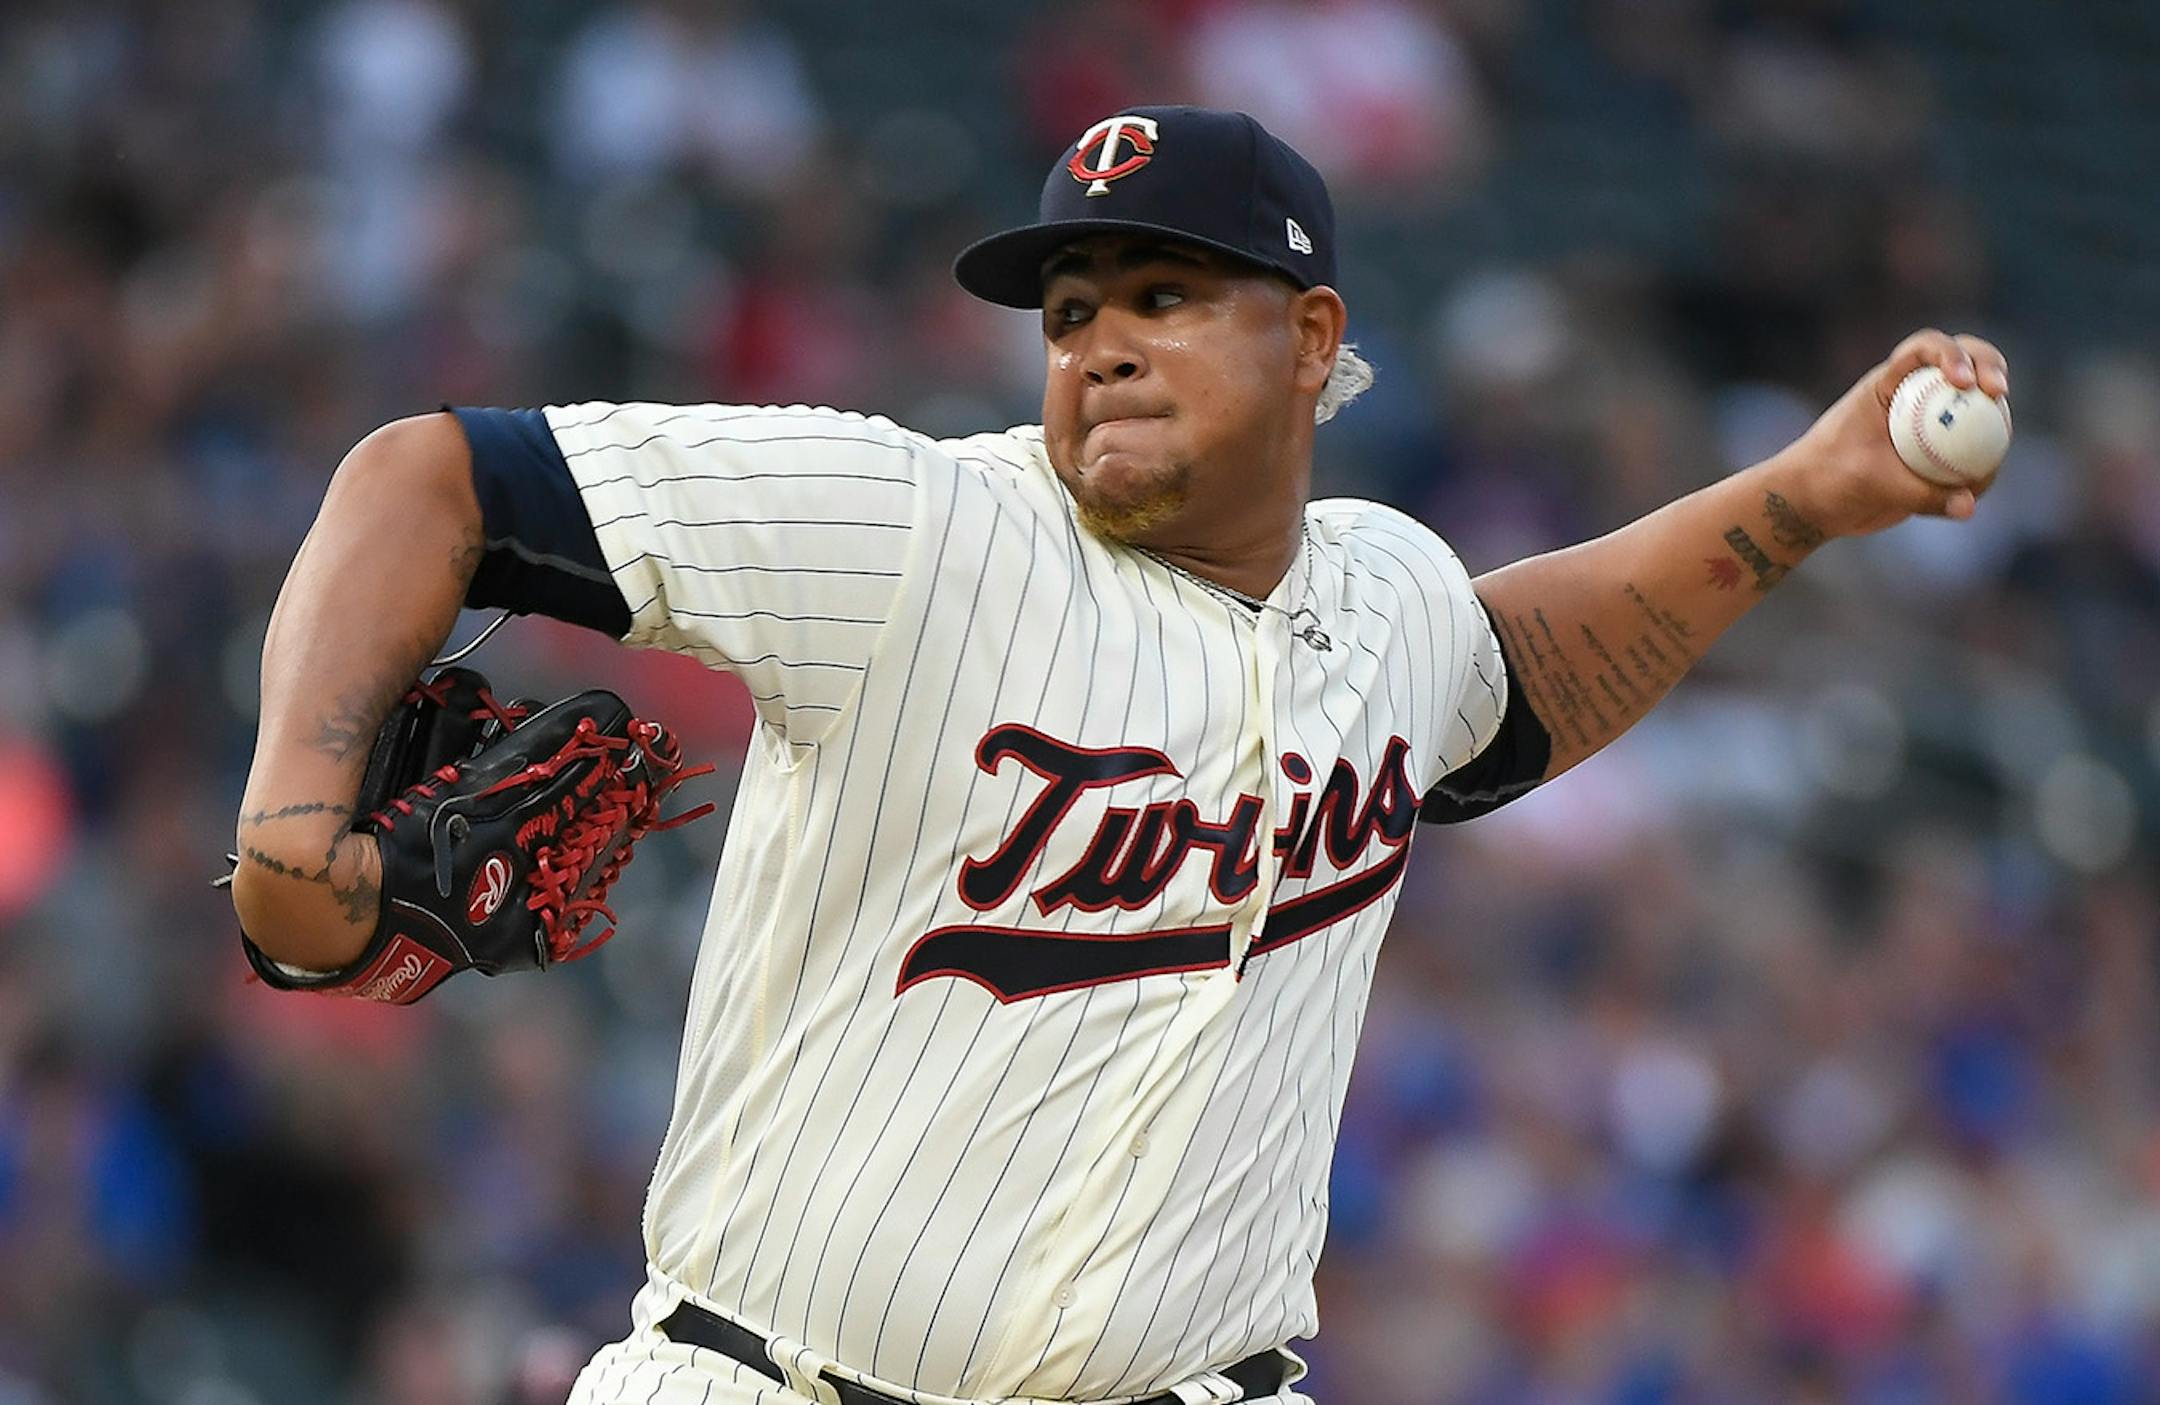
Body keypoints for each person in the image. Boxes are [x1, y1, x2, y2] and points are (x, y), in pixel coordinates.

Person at [227, 106, 2008, 1405]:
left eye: (1165, 293)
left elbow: (1513, 676)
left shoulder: (1386, 595)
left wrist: (1803, 498)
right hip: (769, 1377)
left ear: (1312, 340)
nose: (1102, 348)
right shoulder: (915, 526)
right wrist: (298, 824)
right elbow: (423, 476)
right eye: (1073, 311)